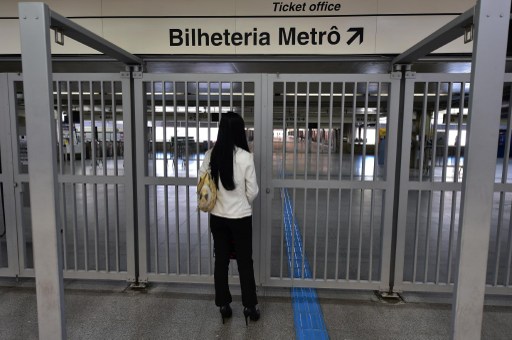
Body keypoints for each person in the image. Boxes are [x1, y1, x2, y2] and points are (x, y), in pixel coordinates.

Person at [198, 111, 260, 325]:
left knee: (221, 260)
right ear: (238, 131)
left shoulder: (210, 155)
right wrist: (241, 202)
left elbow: (203, 184)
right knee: (245, 262)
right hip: (241, 218)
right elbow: (253, 191)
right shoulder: (245, 157)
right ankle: (250, 306)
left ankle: (223, 305)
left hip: (218, 217)